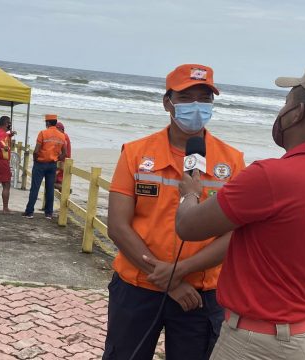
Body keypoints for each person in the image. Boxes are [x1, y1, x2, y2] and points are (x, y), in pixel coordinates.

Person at [173, 60, 305, 360]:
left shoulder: (270, 176)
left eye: (286, 104)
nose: (281, 112)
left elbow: (188, 227)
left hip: (253, 341)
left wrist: (189, 195)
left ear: (298, 113)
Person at [104, 64, 246, 360]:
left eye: (204, 98)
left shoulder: (231, 161)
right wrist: (170, 282)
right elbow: (118, 226)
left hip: (198, 297)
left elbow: (234, 235)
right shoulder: (135, 152)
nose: (196, 106)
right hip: (137, 288)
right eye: (186, 97)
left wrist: (180, 274)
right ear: (167, 102)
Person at [23, 114, 67, 219]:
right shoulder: (62, 136)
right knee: (50, 189)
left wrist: (35, 158)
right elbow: (64, 153)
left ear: (47, 123)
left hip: (40, 163)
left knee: (35, 187)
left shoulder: (43, 133)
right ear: (55, 123)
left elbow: (37, 150)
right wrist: (56, 158)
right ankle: (48, 213)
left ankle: (29, 212)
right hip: (52, 165)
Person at [54, 121, 72, 190]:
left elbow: (64, 153)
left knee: (52, 182)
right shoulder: (64, 136)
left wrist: (57, 159)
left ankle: (66, 190)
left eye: (57, 129)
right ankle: (65, 191)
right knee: (58, 181)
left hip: (63, 162)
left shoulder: (63, 137)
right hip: (64, 162)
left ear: (61, 129)